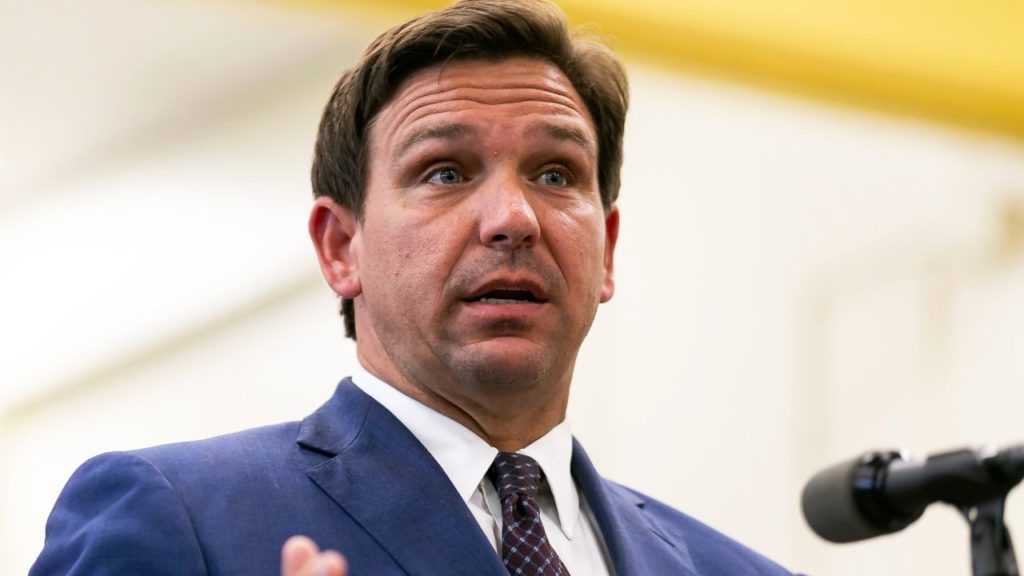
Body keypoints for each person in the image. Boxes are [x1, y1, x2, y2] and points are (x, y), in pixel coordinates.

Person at [31, 1, 799, 575]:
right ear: (341, 248)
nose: (513, 219)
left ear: (608, 251)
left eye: (555, 174)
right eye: (445, 172)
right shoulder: (176, 514)